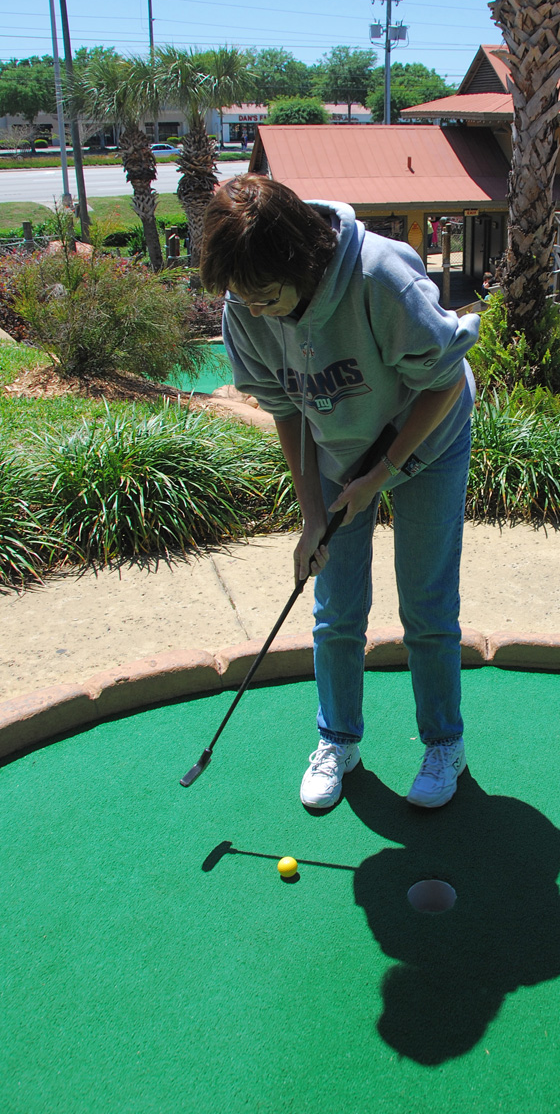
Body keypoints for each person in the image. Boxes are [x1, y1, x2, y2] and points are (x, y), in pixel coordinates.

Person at [201, 174, 479, 811]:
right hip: (336, 448)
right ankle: (338, 740)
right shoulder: (247, 305)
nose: (253, 309)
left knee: (427, 604)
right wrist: (311, 516)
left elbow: (441, 383)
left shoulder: (381, 277)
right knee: (335, 605)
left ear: (300, 261)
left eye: (265, 296)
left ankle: (444, 744)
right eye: (241, 298)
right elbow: (286, 409)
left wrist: (380, 474)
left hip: (429, 438)